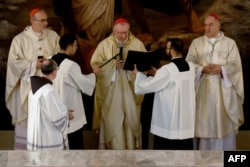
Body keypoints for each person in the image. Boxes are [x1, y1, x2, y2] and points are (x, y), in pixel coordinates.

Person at [186, 13, 244, 150]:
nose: (207, 28)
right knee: (204, 125)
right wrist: (201, 69)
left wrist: (222, 69)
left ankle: (226, 159)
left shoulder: (230, 43)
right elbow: (189, 63)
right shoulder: (196, 43)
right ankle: (203, 162)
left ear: (219, 25)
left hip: (223, 92)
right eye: (205, 25)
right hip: (203, 91)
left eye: (210, 25)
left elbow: (236, 65)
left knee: (224, 126)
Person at [5, 8, 60, 150]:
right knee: (28, 123)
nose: (46, 23)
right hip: (27, 90)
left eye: (46, 20)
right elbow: (13, 64)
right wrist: (33, 64)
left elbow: (60, 57)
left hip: (49, 88)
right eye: (43, 21)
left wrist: (50, 62)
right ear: (32, 21)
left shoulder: (53, 36)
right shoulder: (20, 40)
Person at [90, 17, 147, 149]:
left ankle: (131, 151)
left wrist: (130, 68)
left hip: (130, 90)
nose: (122, 36)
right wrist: (112, 66)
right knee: (112, 119)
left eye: (125, 33)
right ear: (113, 31)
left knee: (130, 118)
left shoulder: (137, 44)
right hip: (111, 90)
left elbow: (144, 66)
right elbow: (96, 66)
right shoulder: (104, 45)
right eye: (119, 33)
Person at [133, 38, 196, 150]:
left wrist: (138, 74)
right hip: (185, 118)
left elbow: (149, 85)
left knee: (166, 150)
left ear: (171, 51)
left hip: (169, 119)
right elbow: (174, 80)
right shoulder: (190, 67)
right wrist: (158, 73)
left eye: (167, 48)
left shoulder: (167, 69)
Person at [52, 33, 100, 149]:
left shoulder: (49, 60)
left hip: (54, 108)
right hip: (69, 109)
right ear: (69, 47)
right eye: (75, 46)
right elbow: (84, 84)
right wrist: (94, 74)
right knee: (74, 145)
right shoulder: (71, 65)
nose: (77, 48)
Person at [27, 59, 71, 150]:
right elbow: (57, 117)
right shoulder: (49, 91)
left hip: (35, 138)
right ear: (54, 72)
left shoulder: (32, 90)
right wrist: (68, 115)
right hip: (47, 140)